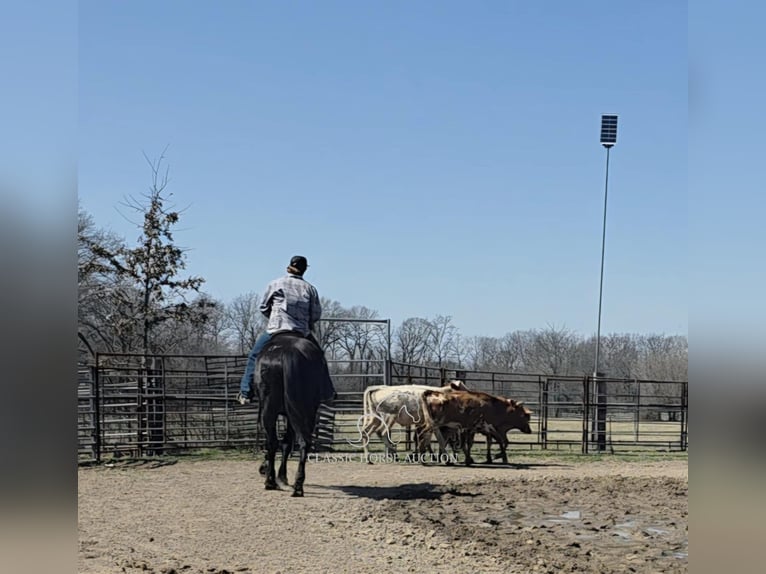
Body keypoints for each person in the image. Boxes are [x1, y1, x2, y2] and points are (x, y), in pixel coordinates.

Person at [237, 255, 325, 405]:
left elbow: (263, 307)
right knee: (319, 358)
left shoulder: (275, 283)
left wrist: (273, 317)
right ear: (304, 270)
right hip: (301, 333)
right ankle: (326, 392)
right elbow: (316, 314)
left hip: (276, 330)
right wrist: (305, 322)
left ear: (289, 266)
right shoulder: (310, 289)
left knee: (254, 356)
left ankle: (245, 392)